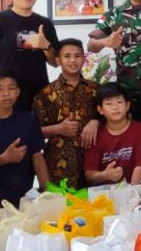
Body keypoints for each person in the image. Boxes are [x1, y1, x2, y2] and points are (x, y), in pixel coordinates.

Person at [0, 67, 48, 223]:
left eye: (11, 88)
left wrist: (47, 190)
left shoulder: (28, 121)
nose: (6, 93)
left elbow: (37, 156)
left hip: (24, 198)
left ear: (18, 91)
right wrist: (4, 159)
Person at [33, 38, 99, 187]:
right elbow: (34, 132)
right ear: (58, 60)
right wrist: (58, 129)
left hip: (93, 162)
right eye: (67, 56)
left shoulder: (95, 89)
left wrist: (96, 121)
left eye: (77, 56)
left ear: (84, 58)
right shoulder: (46, 93)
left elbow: (112, 118)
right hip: (59, 164)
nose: (72, 61)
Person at [83, 82, 141, 187]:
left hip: (133, 191)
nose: (115, 107)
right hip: (104, 196)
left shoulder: (139, 129)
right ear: (100, 110)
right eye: (109, 104)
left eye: (119, 102)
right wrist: (105, 175)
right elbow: (89, 174)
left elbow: (139, 165)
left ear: (127, 105)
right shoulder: (95, 134)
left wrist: (132, 194)